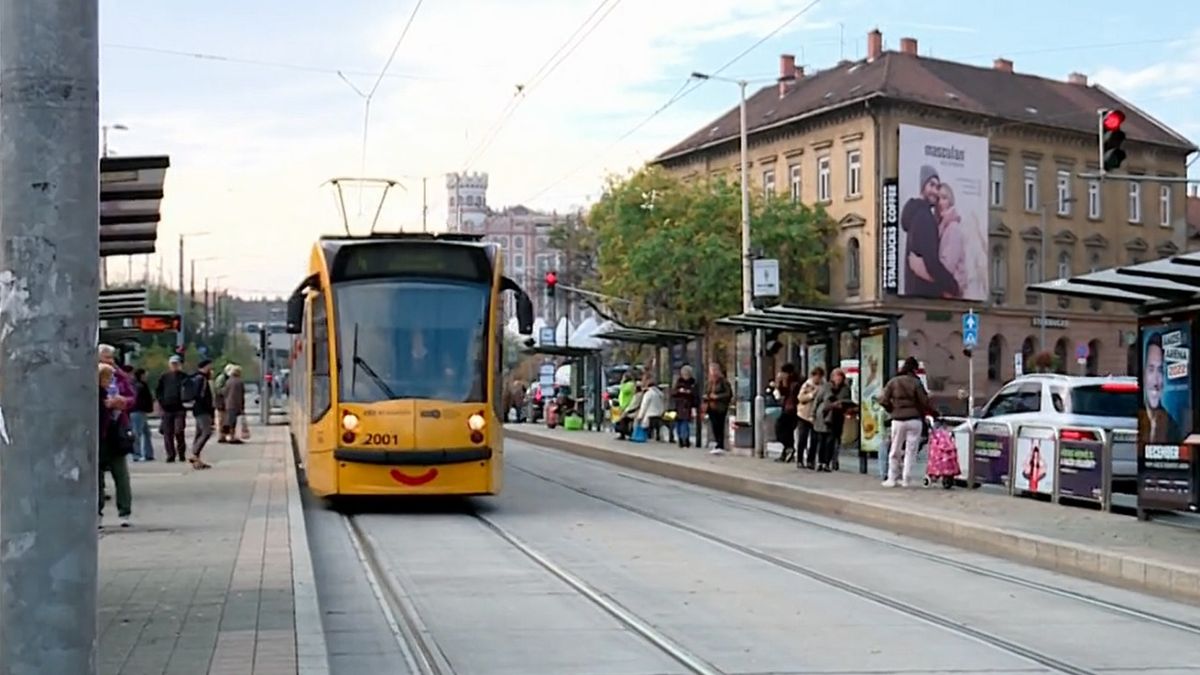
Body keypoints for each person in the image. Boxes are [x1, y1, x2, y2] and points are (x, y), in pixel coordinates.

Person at [901, 165, 959, 298]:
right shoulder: (924, 217)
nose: (935, 191)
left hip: (914, 294)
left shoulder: (915, 214)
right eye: (931, 185)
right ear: (923, 186)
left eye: (937, 187)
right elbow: (932, 263)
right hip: (926, 296)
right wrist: (953, 285)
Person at [878, 357, 933, 487]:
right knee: (911, 451)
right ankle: (906, 479)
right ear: (914, 369)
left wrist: (892, 409)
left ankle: (892, 478)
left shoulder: (893, 382)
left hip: (898, 420)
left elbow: (883, 400)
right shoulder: (916, 382)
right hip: (915, 420)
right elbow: (924, 402)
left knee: (895, 449)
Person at [98, 363, 133, 528]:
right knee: (97, 480)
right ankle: (97, 512)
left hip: (115, 439)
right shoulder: (94, 393)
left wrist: (122, 403)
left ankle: (124, 511)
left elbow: (132, 399)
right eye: (107, 377)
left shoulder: (118, 385)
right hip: (100, 440)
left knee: (121, 476)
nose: (110, 380)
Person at [1141, 333, 1181, 444]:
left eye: (1160, 370)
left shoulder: (1172, 427)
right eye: (1151, 369)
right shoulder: (1135, 417)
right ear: (1143, 373)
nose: (1156, 381)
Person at [813, 367, 854, 472]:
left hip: (836, 417)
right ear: (832, 377)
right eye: (837, 377)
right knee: (822, 440)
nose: (838, 379)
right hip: (823, 416)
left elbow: (848, 401)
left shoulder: (845, 389)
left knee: (831, 441)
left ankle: (827, 462)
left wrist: (843, 405)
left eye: (840, 377)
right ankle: (821, 462)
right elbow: (817, 400)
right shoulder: (826, 387)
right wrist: (813, 414)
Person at [155, 354, 190, 462]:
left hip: (180, 408)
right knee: (167, 433)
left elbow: (189, 390)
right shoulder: (164, 377)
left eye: (176, 364)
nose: (174, 366)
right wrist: (161, 402)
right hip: (167, 408)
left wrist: (186, 401)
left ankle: (181, 453)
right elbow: (158, 391)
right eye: (172, 364)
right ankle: (170, 455)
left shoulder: (184, 377)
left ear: (180, 365)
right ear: (169, 365)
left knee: (179, 431)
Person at [796, 367, 824, 469]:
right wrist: (811, 395)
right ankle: (799, 460)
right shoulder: (807, 385)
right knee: (802, 438)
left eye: (820, 377)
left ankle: (810, 461)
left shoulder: (823, 386)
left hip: (815, 416)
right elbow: (800, 398)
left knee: (814, 439)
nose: (818, 379)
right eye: (816, 377)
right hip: (804, 415)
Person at [190, 359, 216, 468]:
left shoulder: (195, 378)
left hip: (198, 409)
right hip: (203, 410)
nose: (211, 369)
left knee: (199, 433)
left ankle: (197, 461)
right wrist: (209, 409)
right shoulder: (202, 379)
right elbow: (202, 396)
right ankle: (195, 454)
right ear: (206, 367)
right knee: (206, 432)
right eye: (210, 367)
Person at [774, 364, 801, 463]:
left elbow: (791, 395)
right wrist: (779, 384)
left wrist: (783, 383)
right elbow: (782, 393)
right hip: (787, 408)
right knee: (787, 431)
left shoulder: (795, 383)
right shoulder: (789, 382)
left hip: (792, 410)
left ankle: (789, 448)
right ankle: (787, 451)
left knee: (782, 428)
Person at [704, 363, 733, 455]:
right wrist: (707, 396)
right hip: (711, 407)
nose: (712, 373)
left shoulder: (723, 381)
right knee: (714, 426)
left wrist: (717, 397)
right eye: (711, 371)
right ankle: (717, 443)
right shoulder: (710, 382)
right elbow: (707, 392)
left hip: (720, 407)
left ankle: (720, 444)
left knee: (720, 425)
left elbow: (728, 394)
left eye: (713, 370)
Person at [671, 365, 699, 448]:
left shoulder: (693, 383)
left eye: (687, 374)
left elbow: (695, 394)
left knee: (685, 423)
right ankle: (680, 438)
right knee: (679, 423)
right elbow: (673, 393)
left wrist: (689, 393)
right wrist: (679, 391)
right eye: (684, 374)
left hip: (687, 406)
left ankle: (685, 439)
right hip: (678, 405)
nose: (685, 376)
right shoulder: (678, 382)